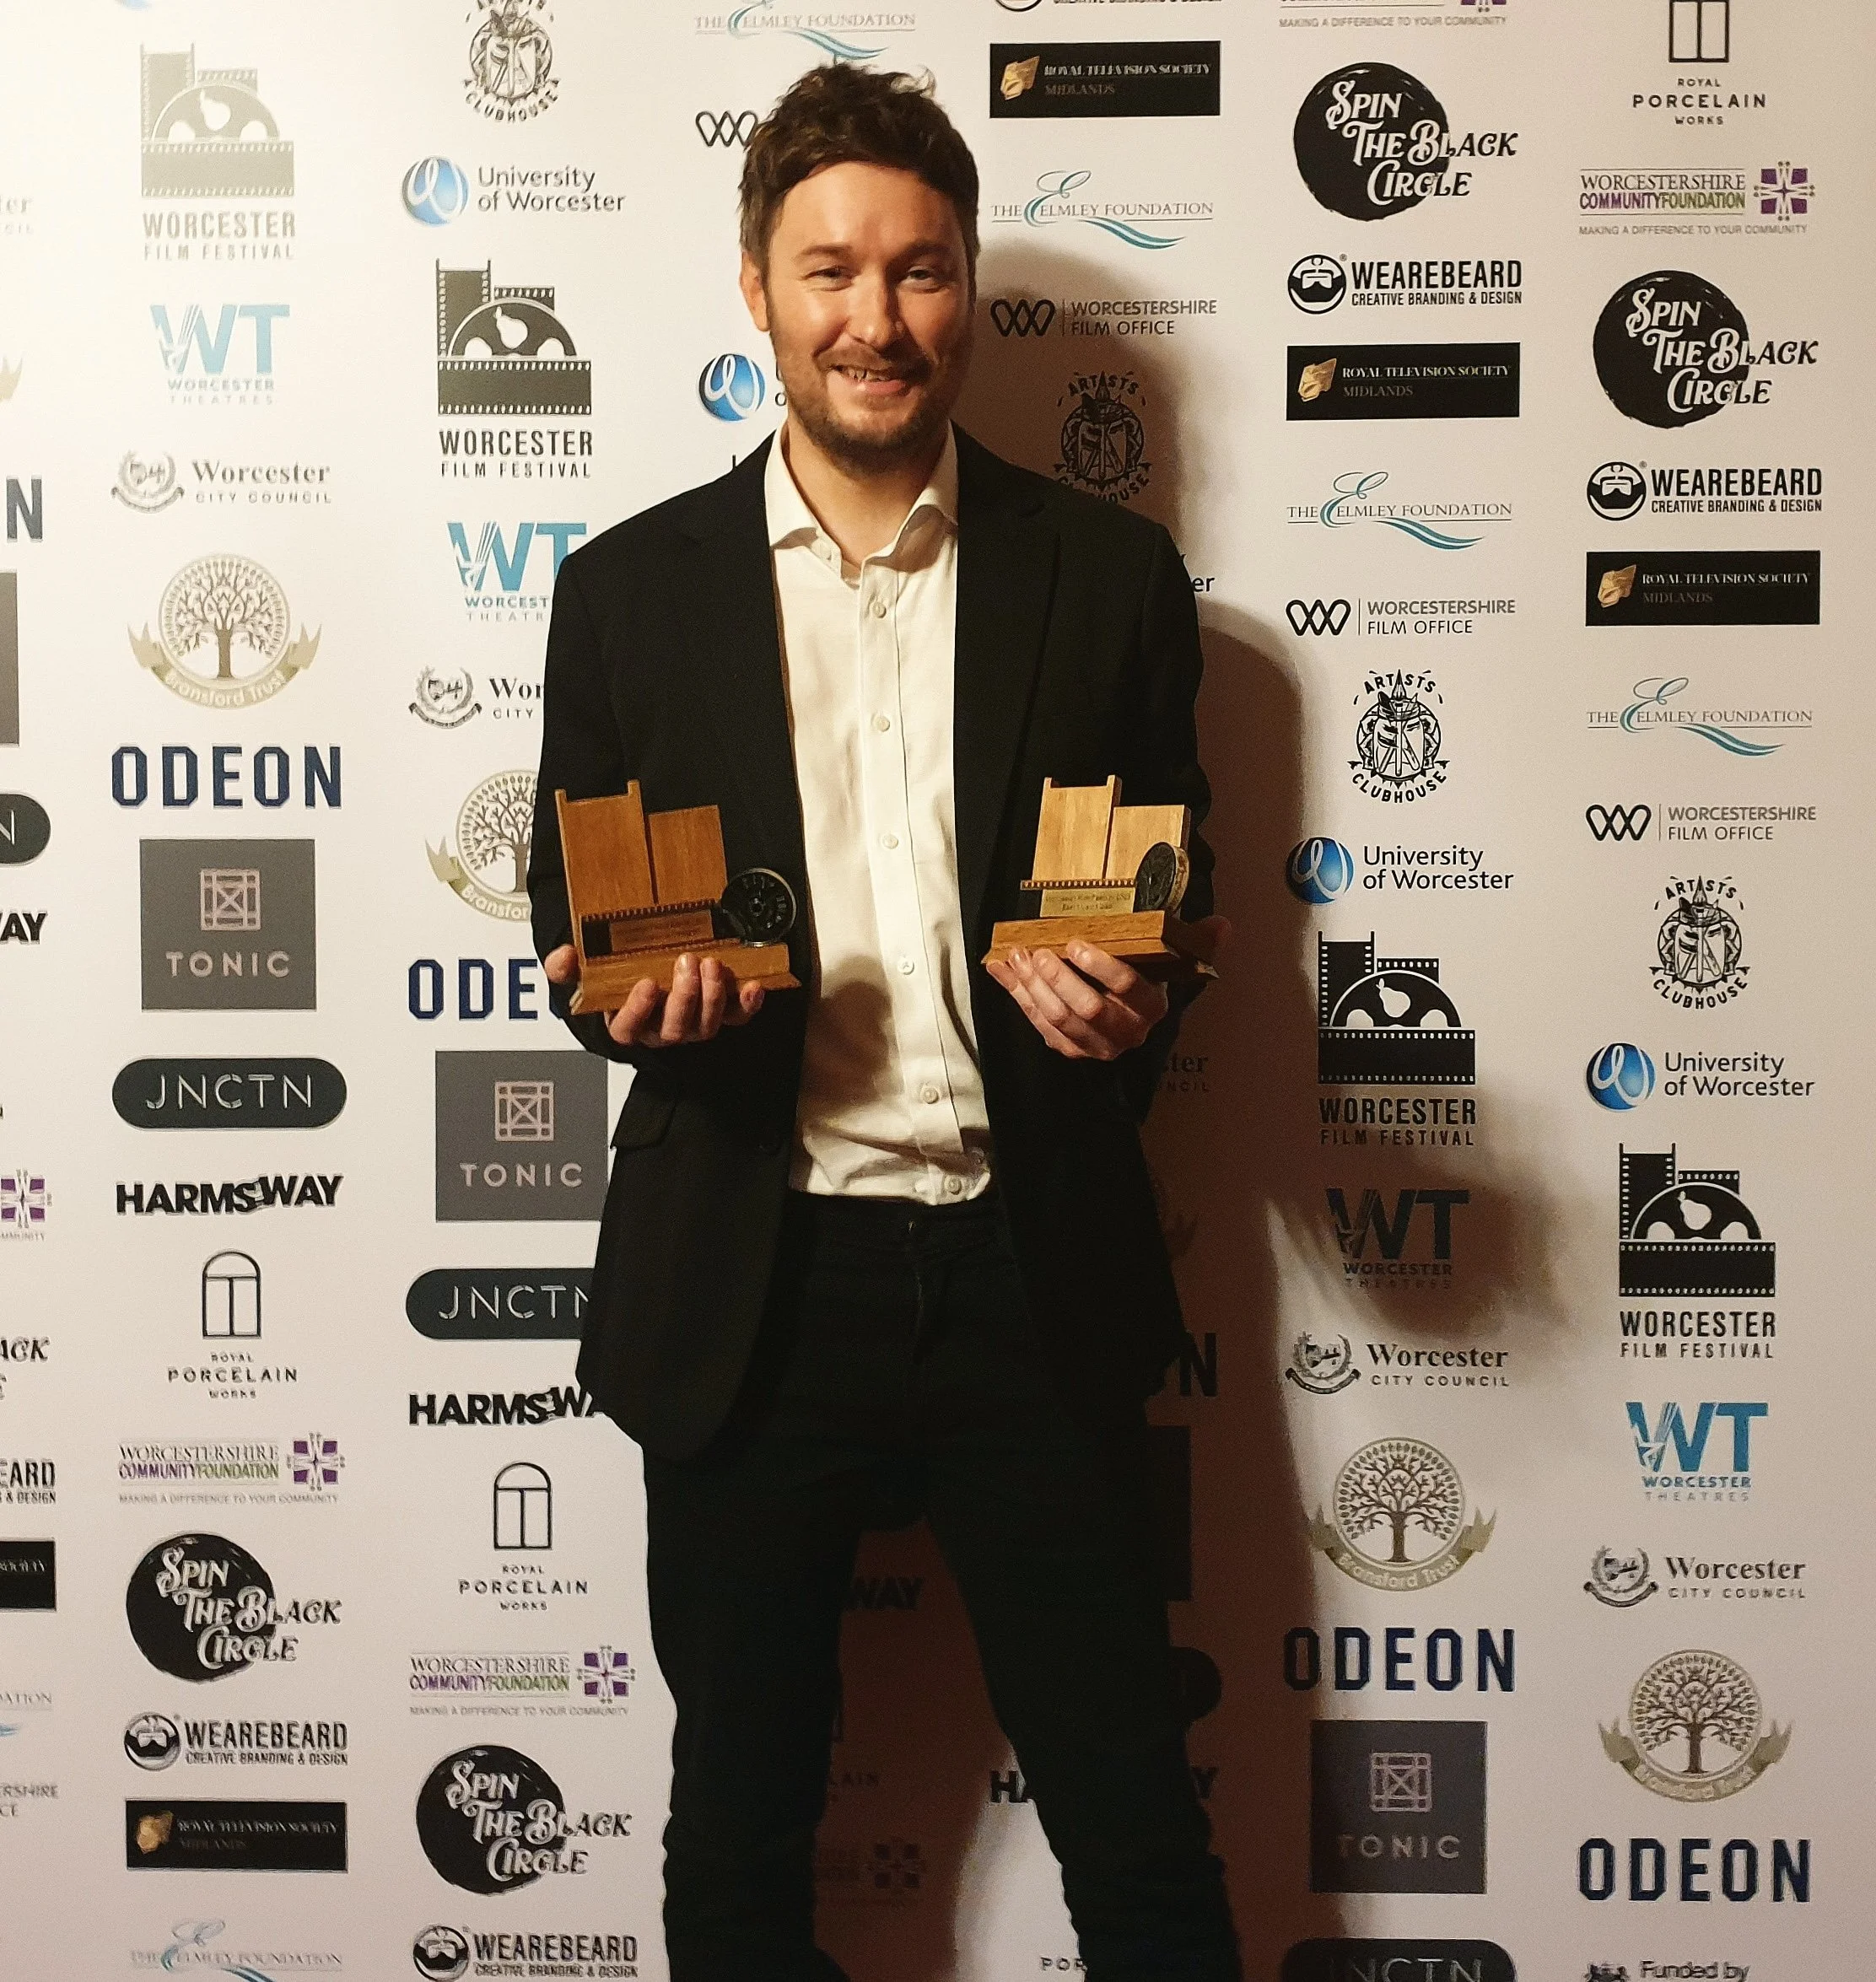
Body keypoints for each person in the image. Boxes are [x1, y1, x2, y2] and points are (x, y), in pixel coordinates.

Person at [529, 63, 1238, 1982]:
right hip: (753, 1287)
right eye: (828, 268)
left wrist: (1119, 1004)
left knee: (1137, 1826)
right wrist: (649, 1007)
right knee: (739, 1832)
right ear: (753, 288)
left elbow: (1166, 914)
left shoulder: (1105, 578)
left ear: (968, 290)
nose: (874, 317)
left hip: (1032, 1270)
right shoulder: (619, 596)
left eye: (918, 271)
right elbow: (568, 929)